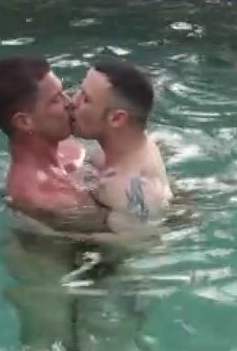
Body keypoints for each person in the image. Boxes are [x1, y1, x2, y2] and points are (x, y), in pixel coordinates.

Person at [0, 55, 103, 231]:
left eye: (64, 92)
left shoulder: (68, 148)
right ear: (24, 122)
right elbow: (132, 237)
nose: (70, 103)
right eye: (56, 99)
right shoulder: (52, 202)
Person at [69, 61, 173, 235]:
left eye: (86, 99)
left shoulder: (127, 190)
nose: (72, 102)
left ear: (117, 119)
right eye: (80, 91)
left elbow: (134, 243)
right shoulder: (134, 144)